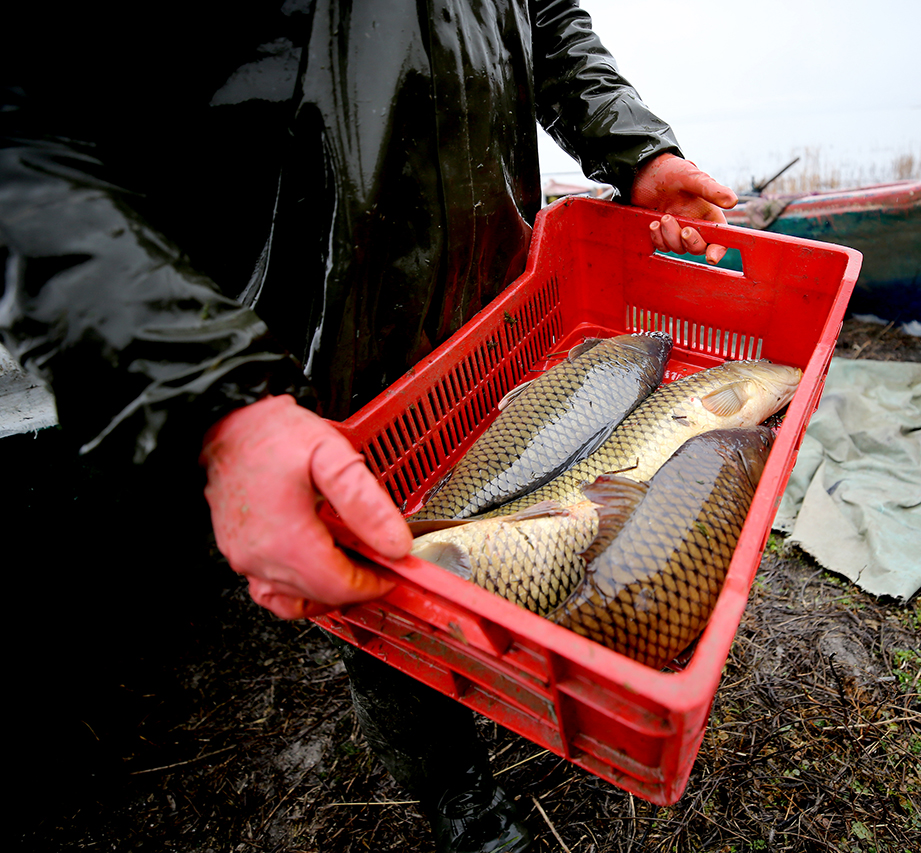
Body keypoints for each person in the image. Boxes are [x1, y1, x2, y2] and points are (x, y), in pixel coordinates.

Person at [1, 2, 736, 850]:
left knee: (507, 552)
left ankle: (526, 686)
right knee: (387, 589)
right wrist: (209, 392)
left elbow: (544, 17)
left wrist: (636, 147)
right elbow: (26, 139)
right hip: (313, 338)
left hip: (501, 291)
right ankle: (455, 789)